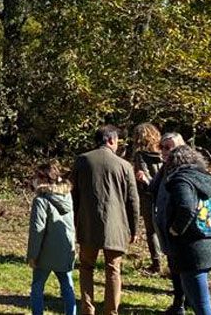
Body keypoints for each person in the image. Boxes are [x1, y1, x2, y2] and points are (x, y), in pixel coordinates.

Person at [156, 145, 211, 315]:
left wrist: (176, 229)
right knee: (195, 295)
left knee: (201, 303)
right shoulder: (207, 177)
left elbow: (186, 207)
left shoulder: (181, 180)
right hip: (210, 242)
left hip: (190, 248)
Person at [71, 125, 139, 315]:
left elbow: (74, 194)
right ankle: (111, 311)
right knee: (113, 269)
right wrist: (134, 229)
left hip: (87, 223)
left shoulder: (82, 160)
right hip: (116, 226)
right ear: (111, 140)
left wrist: (75, 220)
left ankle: (87, 308)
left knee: (86, 267)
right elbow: (133, 201)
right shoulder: (125, 166)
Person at [27, 161, 77, 315]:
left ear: (43, 178)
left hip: (45, 253)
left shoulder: (41, 200)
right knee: (67, 287)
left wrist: (32, 255)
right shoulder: (67, 195)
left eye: (37, 176)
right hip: (65, 249)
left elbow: (37, 230)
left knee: (37, 287)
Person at [149, 132, 189, 315]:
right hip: (166, 225)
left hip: (181, 227)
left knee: (182, 267)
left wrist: (177, 225)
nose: (164, 151)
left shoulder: (186, 169)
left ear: (180, 148)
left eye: (168, 147)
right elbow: (153, 189)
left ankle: (181, 302)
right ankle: (182, 300)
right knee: (174, 265)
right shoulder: (166, 168)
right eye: (162, 147)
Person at [130, 123, 166, 274]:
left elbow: (143, 175)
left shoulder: (140, 155)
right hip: (164, 193)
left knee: (151, 230)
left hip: (148, 195)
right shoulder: (164, 152)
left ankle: (156, 263)